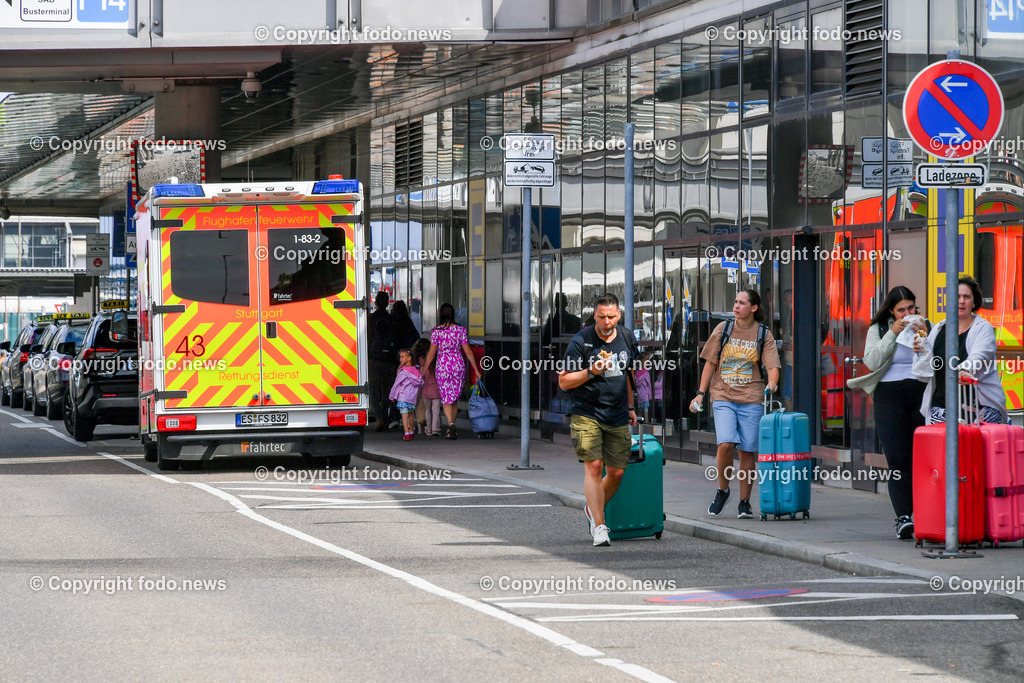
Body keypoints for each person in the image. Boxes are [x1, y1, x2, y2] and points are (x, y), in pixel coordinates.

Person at [690, 289, 781, 519]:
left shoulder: (763, 334)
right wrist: (700, 393)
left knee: (748, 451)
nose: (736, 306)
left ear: (753, 308)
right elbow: (710, 363)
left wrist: (772, 383)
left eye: (742, 303)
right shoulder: (723, 329)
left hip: (751, 397)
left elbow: (772, 366)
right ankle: (722, 490)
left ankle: (744, 502)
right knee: (726, 444)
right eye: (735, 302)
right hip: (723, 395)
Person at [847, 286, 928, 540]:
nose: (907, 313)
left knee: (924, 459)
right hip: (889, 397)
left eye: (911, 308)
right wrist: (893, 333)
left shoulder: (926, 325)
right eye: (901, 310)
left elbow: (936, 360)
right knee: (898, 459)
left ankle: (927, 514)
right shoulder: (879, 329)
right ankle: (903, 517)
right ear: (891, 311)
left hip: (920, 394)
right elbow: (871, 360)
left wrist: (923, 347)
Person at [558, 292, 638, 547]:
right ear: (595, 315)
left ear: (619, 315)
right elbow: (563, 380)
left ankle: (593, 509)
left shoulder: (626, 337)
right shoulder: (582, 341)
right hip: (586, 412)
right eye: (602, 317)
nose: (607, 322)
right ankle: (600, 526)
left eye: (611, 316)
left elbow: (627, 375)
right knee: (594, 466)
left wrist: (631, 407)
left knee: (616, 472)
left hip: (616, 413)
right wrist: (591, 371)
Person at [913, 276, 1008, 425]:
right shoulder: (938, 330)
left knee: (975, 448)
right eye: (956, 297)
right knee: (941, 448)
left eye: (966, 297)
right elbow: (923, 373)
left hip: (979, 409)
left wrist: (964, 369)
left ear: (974, 302)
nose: (961, 301)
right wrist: (920, 352)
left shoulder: (983, 328)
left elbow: (981, 355)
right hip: (942, 408)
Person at [424, 303, 482, 440]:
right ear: (452, 314)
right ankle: (452, 425)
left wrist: (424, 369)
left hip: (443, 366)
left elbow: (432, 354)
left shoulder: (436, 331)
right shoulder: (460, 330)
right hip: (457, 366)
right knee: (454, 399)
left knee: (446, 399)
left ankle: (450, 425)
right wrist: (476, 369)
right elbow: (467, 351)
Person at [367, 291, 398, 432]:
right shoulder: (392, 319)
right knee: (387, 390)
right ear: (387, 303)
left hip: (374, 359)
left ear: (376, 303)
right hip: (390, 360)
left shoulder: (371, 318)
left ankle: (379, 417)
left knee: (373, 390)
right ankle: (384, 416)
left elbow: (367, 338)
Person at [389, 348, 424, 441]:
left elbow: (397, 384)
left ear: (409, 358)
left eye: (402, 357)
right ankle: (411, 431)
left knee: (404, 416)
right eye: (400, 357)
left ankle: (406, 433)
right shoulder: (416, 370)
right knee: (411, 414)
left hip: (403, 396)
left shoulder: (403, 371)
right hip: (412, 397)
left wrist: (392, 395)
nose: (401, 359)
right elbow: (421, 382)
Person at [413, 337, 442, 436]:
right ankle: (435, 428)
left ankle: (428, 428)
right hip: (436, 390)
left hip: (425, 391)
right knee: (436, 411)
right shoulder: (436, 364)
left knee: (427, 410)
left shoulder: (420, 364)